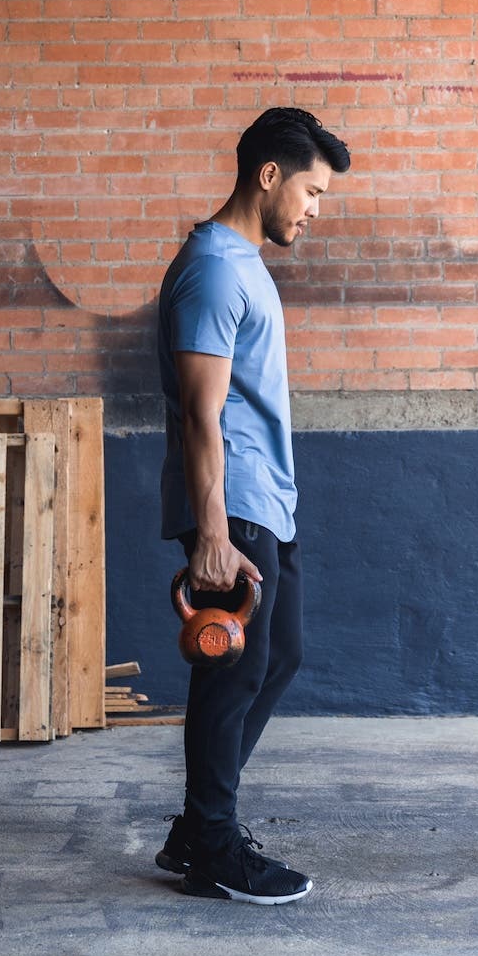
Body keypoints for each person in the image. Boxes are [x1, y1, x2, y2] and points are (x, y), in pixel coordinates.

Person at [152, 106, 351, 905]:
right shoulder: (214, 268)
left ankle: (197, 828)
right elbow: (203, 414)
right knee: (231, 674)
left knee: (280, 655)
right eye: (310, 190)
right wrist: (209, 535)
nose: (313, 210)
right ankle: (213, 846)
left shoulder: (243, 264)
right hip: (231, 509)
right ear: (269, 176)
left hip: (267, 500)